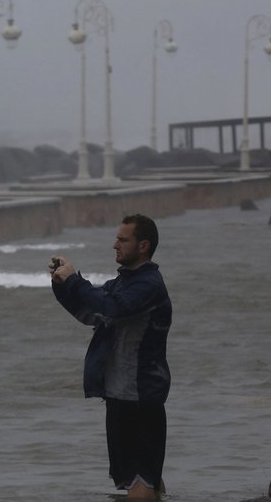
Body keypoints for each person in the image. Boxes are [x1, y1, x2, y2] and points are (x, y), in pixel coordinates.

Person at [48, 213, 172, 500]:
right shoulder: (124, 283)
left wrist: (75, 282)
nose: (114, 244)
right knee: (144, 481)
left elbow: (114, 307)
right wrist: (62, 282)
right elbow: (92, 312)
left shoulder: (147, 285)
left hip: (140, 398)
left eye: (122, 239)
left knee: (140, 485)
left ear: (143, 245)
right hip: (121, 396)